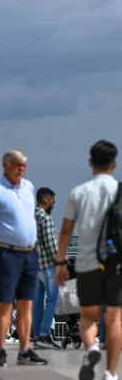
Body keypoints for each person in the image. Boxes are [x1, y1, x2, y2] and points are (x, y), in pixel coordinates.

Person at [56, 140, 120, 380]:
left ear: (90, 162)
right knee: (114, 320)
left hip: (87, 264)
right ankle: (111, 373)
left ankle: (91, 347)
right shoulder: (120, 192)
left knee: (88, 315)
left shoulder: (78, 193)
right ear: (114, 164)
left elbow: (65, 232)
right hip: (116, 265)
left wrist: (60, 262)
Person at [0, 149, 47, 366]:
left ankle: (25, 348)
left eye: (24, 165)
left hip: (29, 253)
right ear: (6, 165)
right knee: (5, 302)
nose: (22, 169)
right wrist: (1, 237)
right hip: (6, 252)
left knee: (26, 303)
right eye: (18, 165)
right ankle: (1, 349)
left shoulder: (28, 187)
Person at [33, 186, 61, 348]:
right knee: (52, 299)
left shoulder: (31, 217)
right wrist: (62, 259)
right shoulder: (46, 219)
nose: (54, 205)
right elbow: (52, 246)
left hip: (33, 265)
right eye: (52, 202)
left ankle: (37, 335)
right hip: (47, 266)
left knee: (37, 302)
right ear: (45, 201)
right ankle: (44, 333)